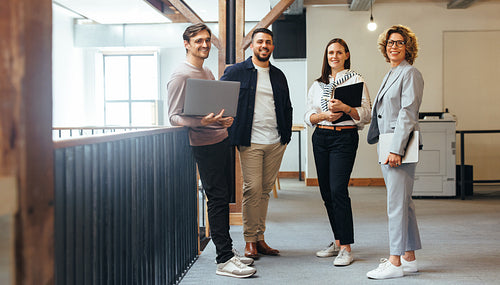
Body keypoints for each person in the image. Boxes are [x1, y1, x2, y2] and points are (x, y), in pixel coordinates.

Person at [167, 23, 256, 279]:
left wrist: (222, 120)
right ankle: (224, 259)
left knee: (222, 200)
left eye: (207, 40)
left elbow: (213, 108)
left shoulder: (205, 70)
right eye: (199, 41)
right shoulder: (180, 75)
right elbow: (173, 117)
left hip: (220, 139)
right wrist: (201, 123)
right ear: (187, 43)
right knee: (216, 200)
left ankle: (227, 252)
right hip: (203, 145)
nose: (205, 45)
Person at [220, 28, 293, 259]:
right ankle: (249, 240)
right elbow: (219, 98)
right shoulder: (236, 71)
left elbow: (287, 107)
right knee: (252, 189)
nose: (264, 45)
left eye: (268, 42)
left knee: (264, 191)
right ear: (251, 46)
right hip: (249, 140)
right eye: (260, 41)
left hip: (275, 141)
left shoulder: (278, 75)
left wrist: (286, 136)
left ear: (272, 47)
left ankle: (260, 238)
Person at [304, 38, 371, 267]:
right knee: (326, 193)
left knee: (338, 190)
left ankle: (346, 248)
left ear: (346, 55)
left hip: (344, 137)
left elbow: (367, 114)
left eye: (339, 52)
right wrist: (324, 116)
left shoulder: (356, 79)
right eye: (331, 52)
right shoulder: (317, 84)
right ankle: (337, 240)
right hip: (321, 137)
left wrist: (344, 108)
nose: (334, 56)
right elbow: (308, 117)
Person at [366, 25, 423, 279]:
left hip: (397, 148)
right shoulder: (391, 73)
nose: (394, 46)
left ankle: (395, 261)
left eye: (399, 43)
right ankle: (409, 258)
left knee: (396, 206)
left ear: (408, 47)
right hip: (388, 145)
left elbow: (407, 113)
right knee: (404, 204)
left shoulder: (410, 73)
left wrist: (396, 149)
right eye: (390, 42)